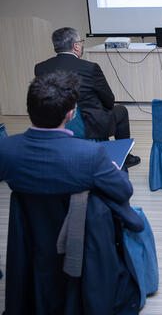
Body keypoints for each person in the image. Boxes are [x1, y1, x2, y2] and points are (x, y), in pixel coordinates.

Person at [0, 71, 144, 313]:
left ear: (29, 109)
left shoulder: (6, 149)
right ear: (71, 113)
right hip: (83, 243)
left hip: (29, 241)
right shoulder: (89, 155)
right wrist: (113, 170)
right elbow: (123, 191)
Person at [35, 27, 140, 168]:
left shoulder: (40, 68)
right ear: (76, 46)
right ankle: (125, 157)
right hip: (88, 126)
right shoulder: (90, 68)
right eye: (81, 42)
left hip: (54, 123)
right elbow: (109, 100)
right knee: (121, 111)